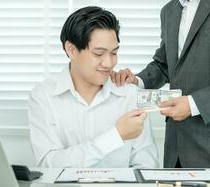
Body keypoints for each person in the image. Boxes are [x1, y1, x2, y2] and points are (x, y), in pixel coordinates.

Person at [111, 0, 210, 168]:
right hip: (176, 152)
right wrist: (138, 80)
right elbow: (165, 64)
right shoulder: (169, 10)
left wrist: (194, 104)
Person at [28, 6, 159, 168]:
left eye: (114, 53)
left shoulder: (130, 95)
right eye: (98, 53)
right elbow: (49, 165)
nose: (109, 63)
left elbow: (146, 166)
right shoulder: (43, 96)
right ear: (71, 50)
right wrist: (116, 136)